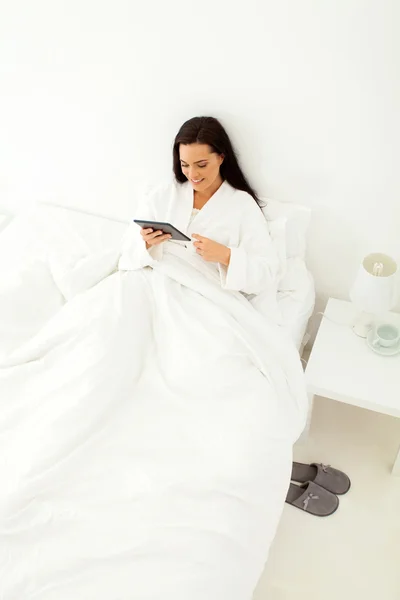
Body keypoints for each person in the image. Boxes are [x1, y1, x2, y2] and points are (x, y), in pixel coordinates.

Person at [0, 116, 308, 600]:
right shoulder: (163, 195)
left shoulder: (243, 207)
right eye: (185, 165)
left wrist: (225, 255)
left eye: (202, 164)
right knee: (95, 349)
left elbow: (266, 272)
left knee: (201, 374)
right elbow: (128, 251)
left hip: (202, 300)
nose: (193, 174)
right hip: (145, 285)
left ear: (222, 157)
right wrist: (143, 245)